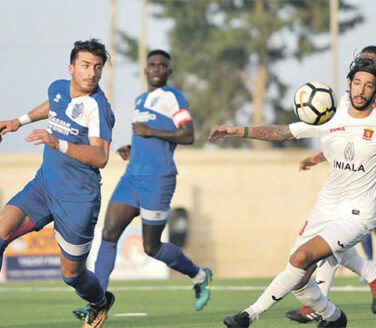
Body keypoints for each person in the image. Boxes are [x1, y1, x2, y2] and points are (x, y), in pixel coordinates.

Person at [209, 55, 376, 328]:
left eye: (369, 85)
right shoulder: (332, 114)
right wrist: (237, 130)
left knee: (301, 258)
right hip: (326, 206)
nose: (361, 90)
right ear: (348, 84)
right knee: (298, 278)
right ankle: (333, 317)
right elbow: (284, 132)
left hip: (358, 214)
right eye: (357, 83)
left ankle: (248, 315)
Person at [73, 49, 212, 320]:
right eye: (152, 65)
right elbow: (147, 139)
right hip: (132, 177)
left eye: (162, 65)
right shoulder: (139, 101)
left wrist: (151, 132)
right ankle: (97, 300)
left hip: (158, 179)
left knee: (152, 247)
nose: (157, 68)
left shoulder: (172, 98)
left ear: (168, 71)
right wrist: (133, 148)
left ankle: (198, 275)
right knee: (109, 233)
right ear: (146, 70)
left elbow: (188, 134)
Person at [0, 39, 115, 328]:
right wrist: (19, 120)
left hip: (78, 200)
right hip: (44, 187)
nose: (92, 73)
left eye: (97, 68)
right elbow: (55, 104)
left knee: (73, 276)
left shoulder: (97, 107)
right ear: (72, 68)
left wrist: (58, 143)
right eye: (86, 66)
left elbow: (101, 156)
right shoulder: (58, 87)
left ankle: (100, 302)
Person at [285, 45, 376, 324]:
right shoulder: (355, 106)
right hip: (357, 184)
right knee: (333, 240)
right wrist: (317, 156)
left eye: (370, 63)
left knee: (336, 239)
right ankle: (325, 298)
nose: (365, 67)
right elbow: (346, 142)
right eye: (362, 62)